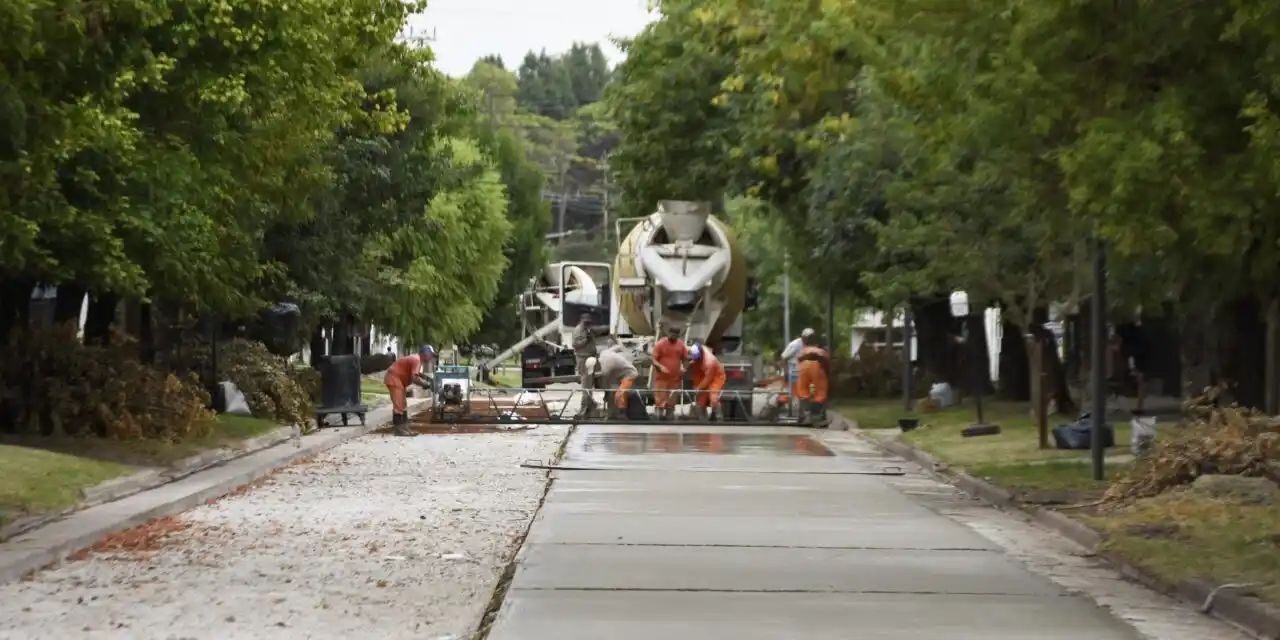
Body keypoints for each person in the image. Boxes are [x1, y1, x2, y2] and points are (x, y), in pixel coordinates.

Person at [384, 345, 436, 437]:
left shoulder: (416, 359)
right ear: (425, 354)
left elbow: (416, 374)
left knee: (403, 405)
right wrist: (426, 384)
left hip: (398, 379)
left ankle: (404, 428)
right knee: (399, 405)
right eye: (431, 355)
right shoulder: (417, 360)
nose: (431, 357)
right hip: (394, 378)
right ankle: (399, 430)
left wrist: (426, 379)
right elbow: (414, 378)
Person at [583, 347, 640, 418]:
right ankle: (614, 413)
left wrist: (606, 396)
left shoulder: (606, 369)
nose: (594, 371)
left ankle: (622, 415)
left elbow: (608, 388)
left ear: (597, 363)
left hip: (630, 374)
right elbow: (618, 347)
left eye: (594, 369)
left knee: (619, 395)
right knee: (614, 394)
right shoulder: (603, 353)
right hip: (620, 374)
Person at [651, 325, 688, 420]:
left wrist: (684, 368)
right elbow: (654, 359)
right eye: (673, 334)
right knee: (660, 399)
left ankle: (670, 418)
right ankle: (657, 417)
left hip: (675, 378)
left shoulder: (681, 345)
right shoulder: (660, 344)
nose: (674, 336)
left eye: (676, 335)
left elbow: (685, 359)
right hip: (662, 378)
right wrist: (660, 366)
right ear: (669, 333)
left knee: (671, 400)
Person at [779, 328, 816, 413]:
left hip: (800, 371)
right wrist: (786, 371)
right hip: (792, 370)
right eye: (810, 338)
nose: (810, 340)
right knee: (790, 392)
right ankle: (784, 407)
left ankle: (798, 410)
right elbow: (784, 358)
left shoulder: (807, 345)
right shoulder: (795, 344)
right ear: (805, 337)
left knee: (799, 391)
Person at [795, 341, 831, 425]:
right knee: (820, 392)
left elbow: (798, 360)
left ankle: (805, 416)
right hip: (817, 366)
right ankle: (820, 417)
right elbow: (827, 366)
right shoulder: (822, 351)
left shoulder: (803, 350)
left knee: (802, 391)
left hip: (803, 366)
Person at [689, 343, 726, 421]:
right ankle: (702, 419)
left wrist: (698, 388)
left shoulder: (710, 361)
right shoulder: (695, 359)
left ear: (701, 352)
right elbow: (696, 375)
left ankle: (719, 418)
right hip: (704, 376)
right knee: (700, 400)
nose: (695, 359)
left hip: (717, 376)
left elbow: (708, 379)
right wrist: (697, 387)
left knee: (713, 397)